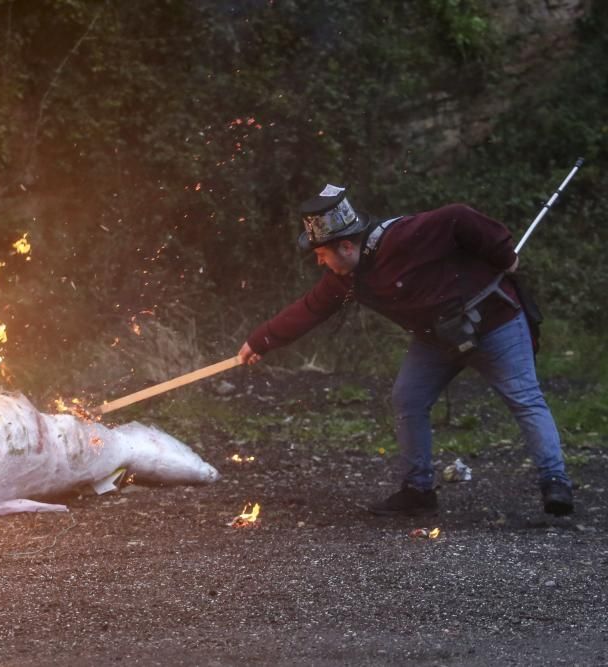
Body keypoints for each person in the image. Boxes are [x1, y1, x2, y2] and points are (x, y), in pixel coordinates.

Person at [237, 184, 574, 517]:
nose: (320, 262)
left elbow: (459, 217)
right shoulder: (346, 278)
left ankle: (555, 481)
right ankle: (418, 490)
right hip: (436, 339)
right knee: (408, 398)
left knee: (524, 398)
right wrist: (260, 341)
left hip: (494, 321)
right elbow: (310, 309)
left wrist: (505, 256)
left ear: (346, 246)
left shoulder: (406, 237)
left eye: (322, 254)